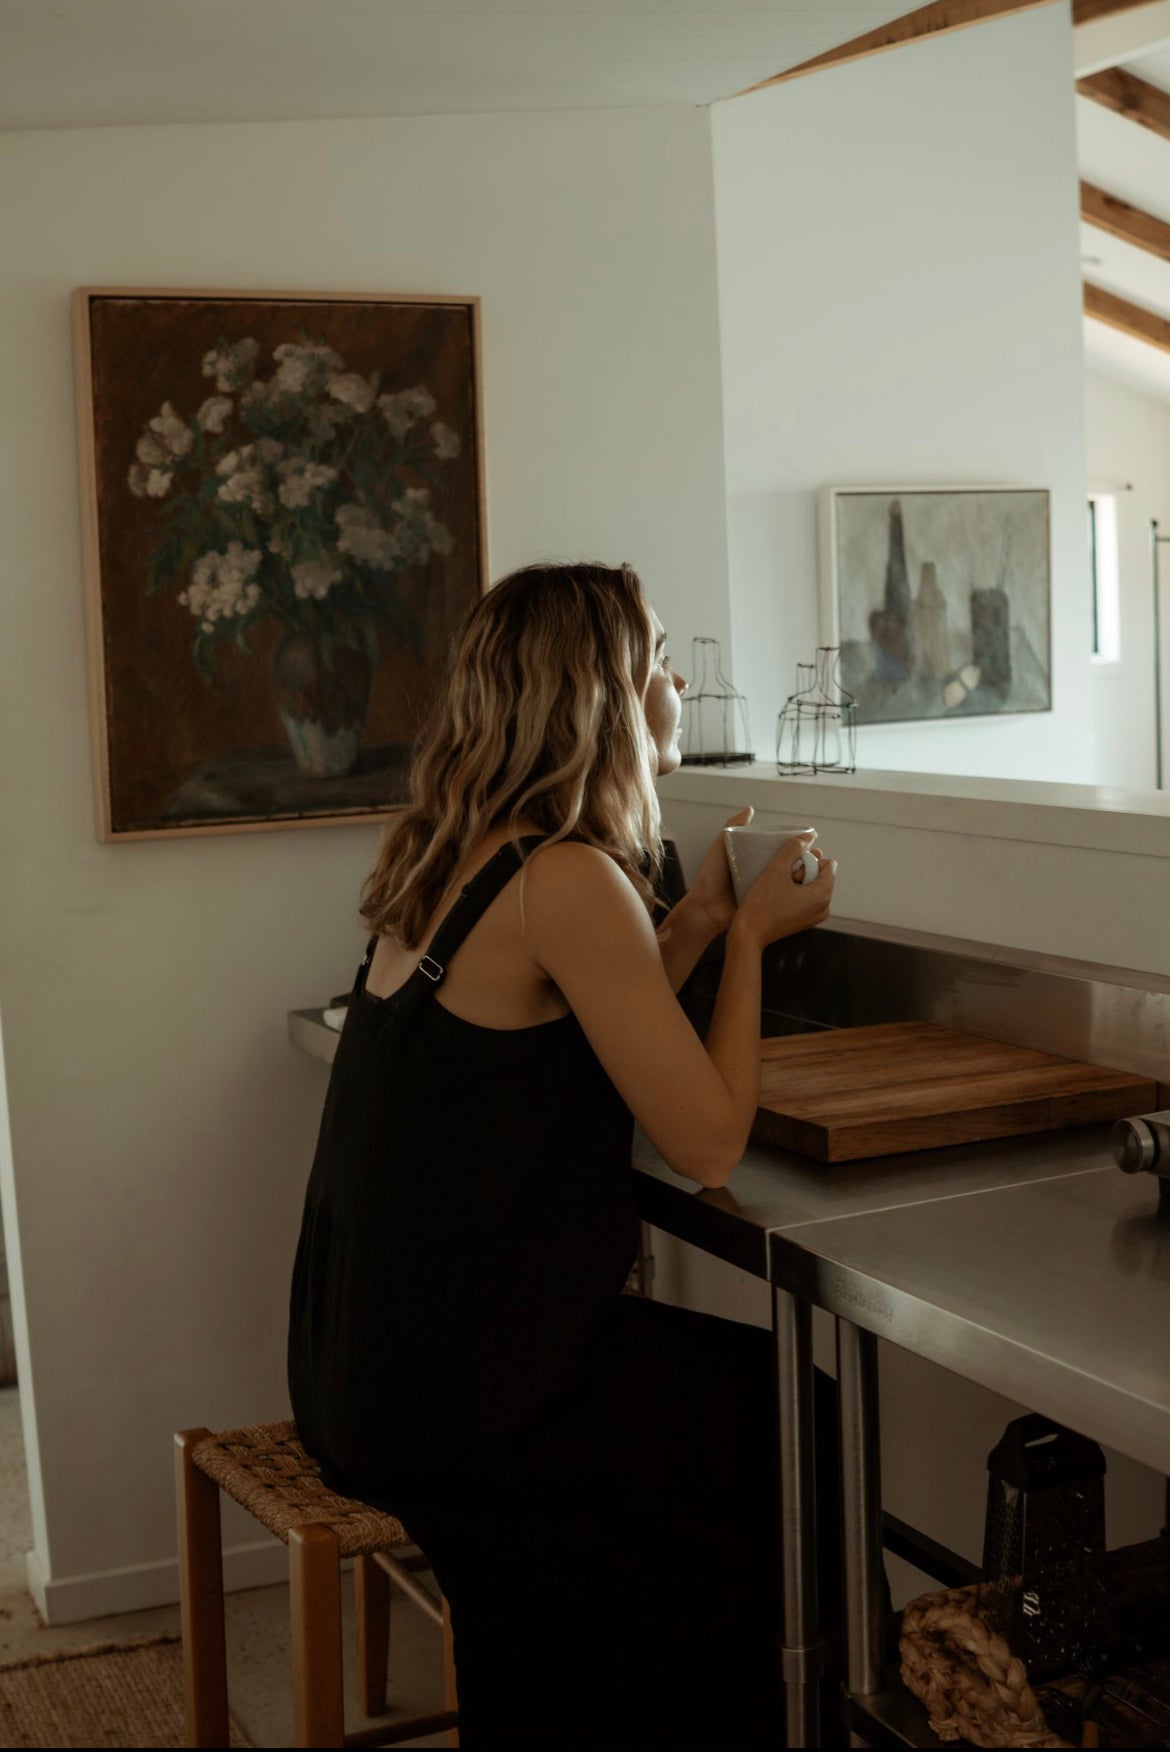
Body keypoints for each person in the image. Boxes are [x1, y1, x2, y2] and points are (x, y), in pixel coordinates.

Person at [287, 561, 840, 1750]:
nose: (678, 684)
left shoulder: (461, 852)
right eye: (659, 662)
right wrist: (751, 940)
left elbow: (571, 1023)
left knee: (711, 1436)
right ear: (606, 697)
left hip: (365, 1369)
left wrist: (695, 922)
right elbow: (709, 1142)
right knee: (790, 1414)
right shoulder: (572, 878)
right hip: (464, 1397)